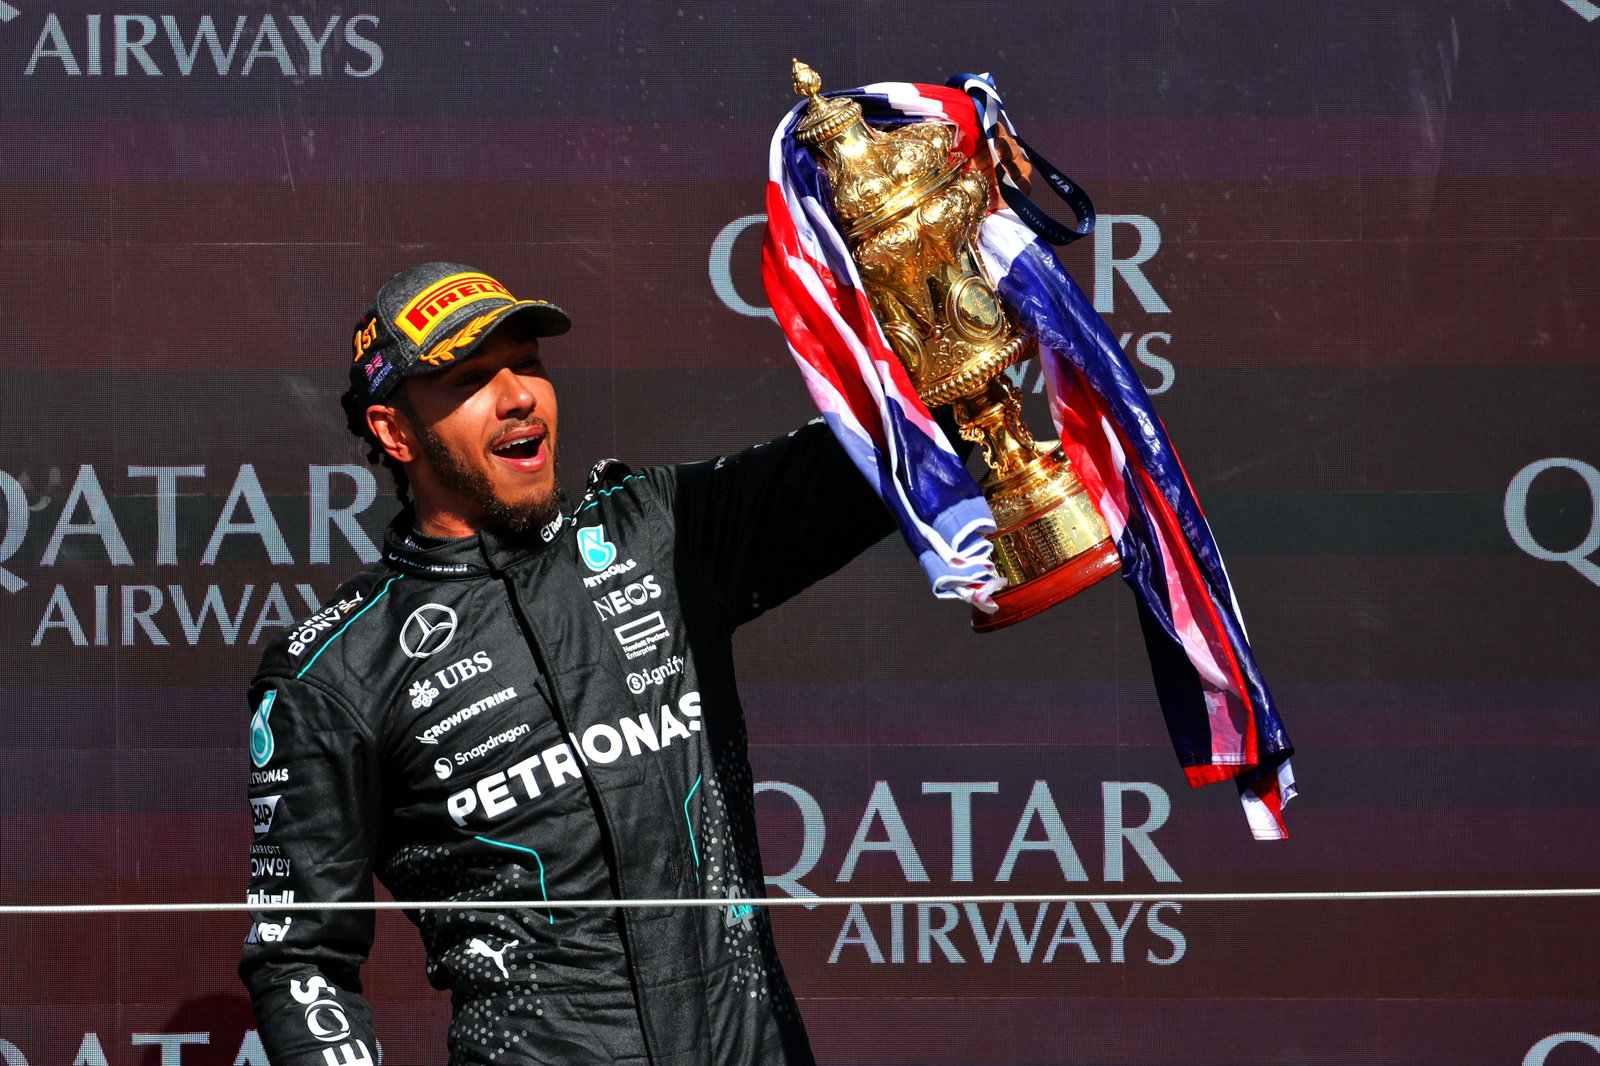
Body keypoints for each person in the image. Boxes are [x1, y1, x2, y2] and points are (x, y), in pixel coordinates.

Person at [239, 262, 898, 1066]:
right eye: (473, 378)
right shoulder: (333, 674)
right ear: (394, 432)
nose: (520, 395)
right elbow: (299, 960)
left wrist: (962, 274)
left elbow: (894, 449)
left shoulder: (660, 533)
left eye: (530, 366)